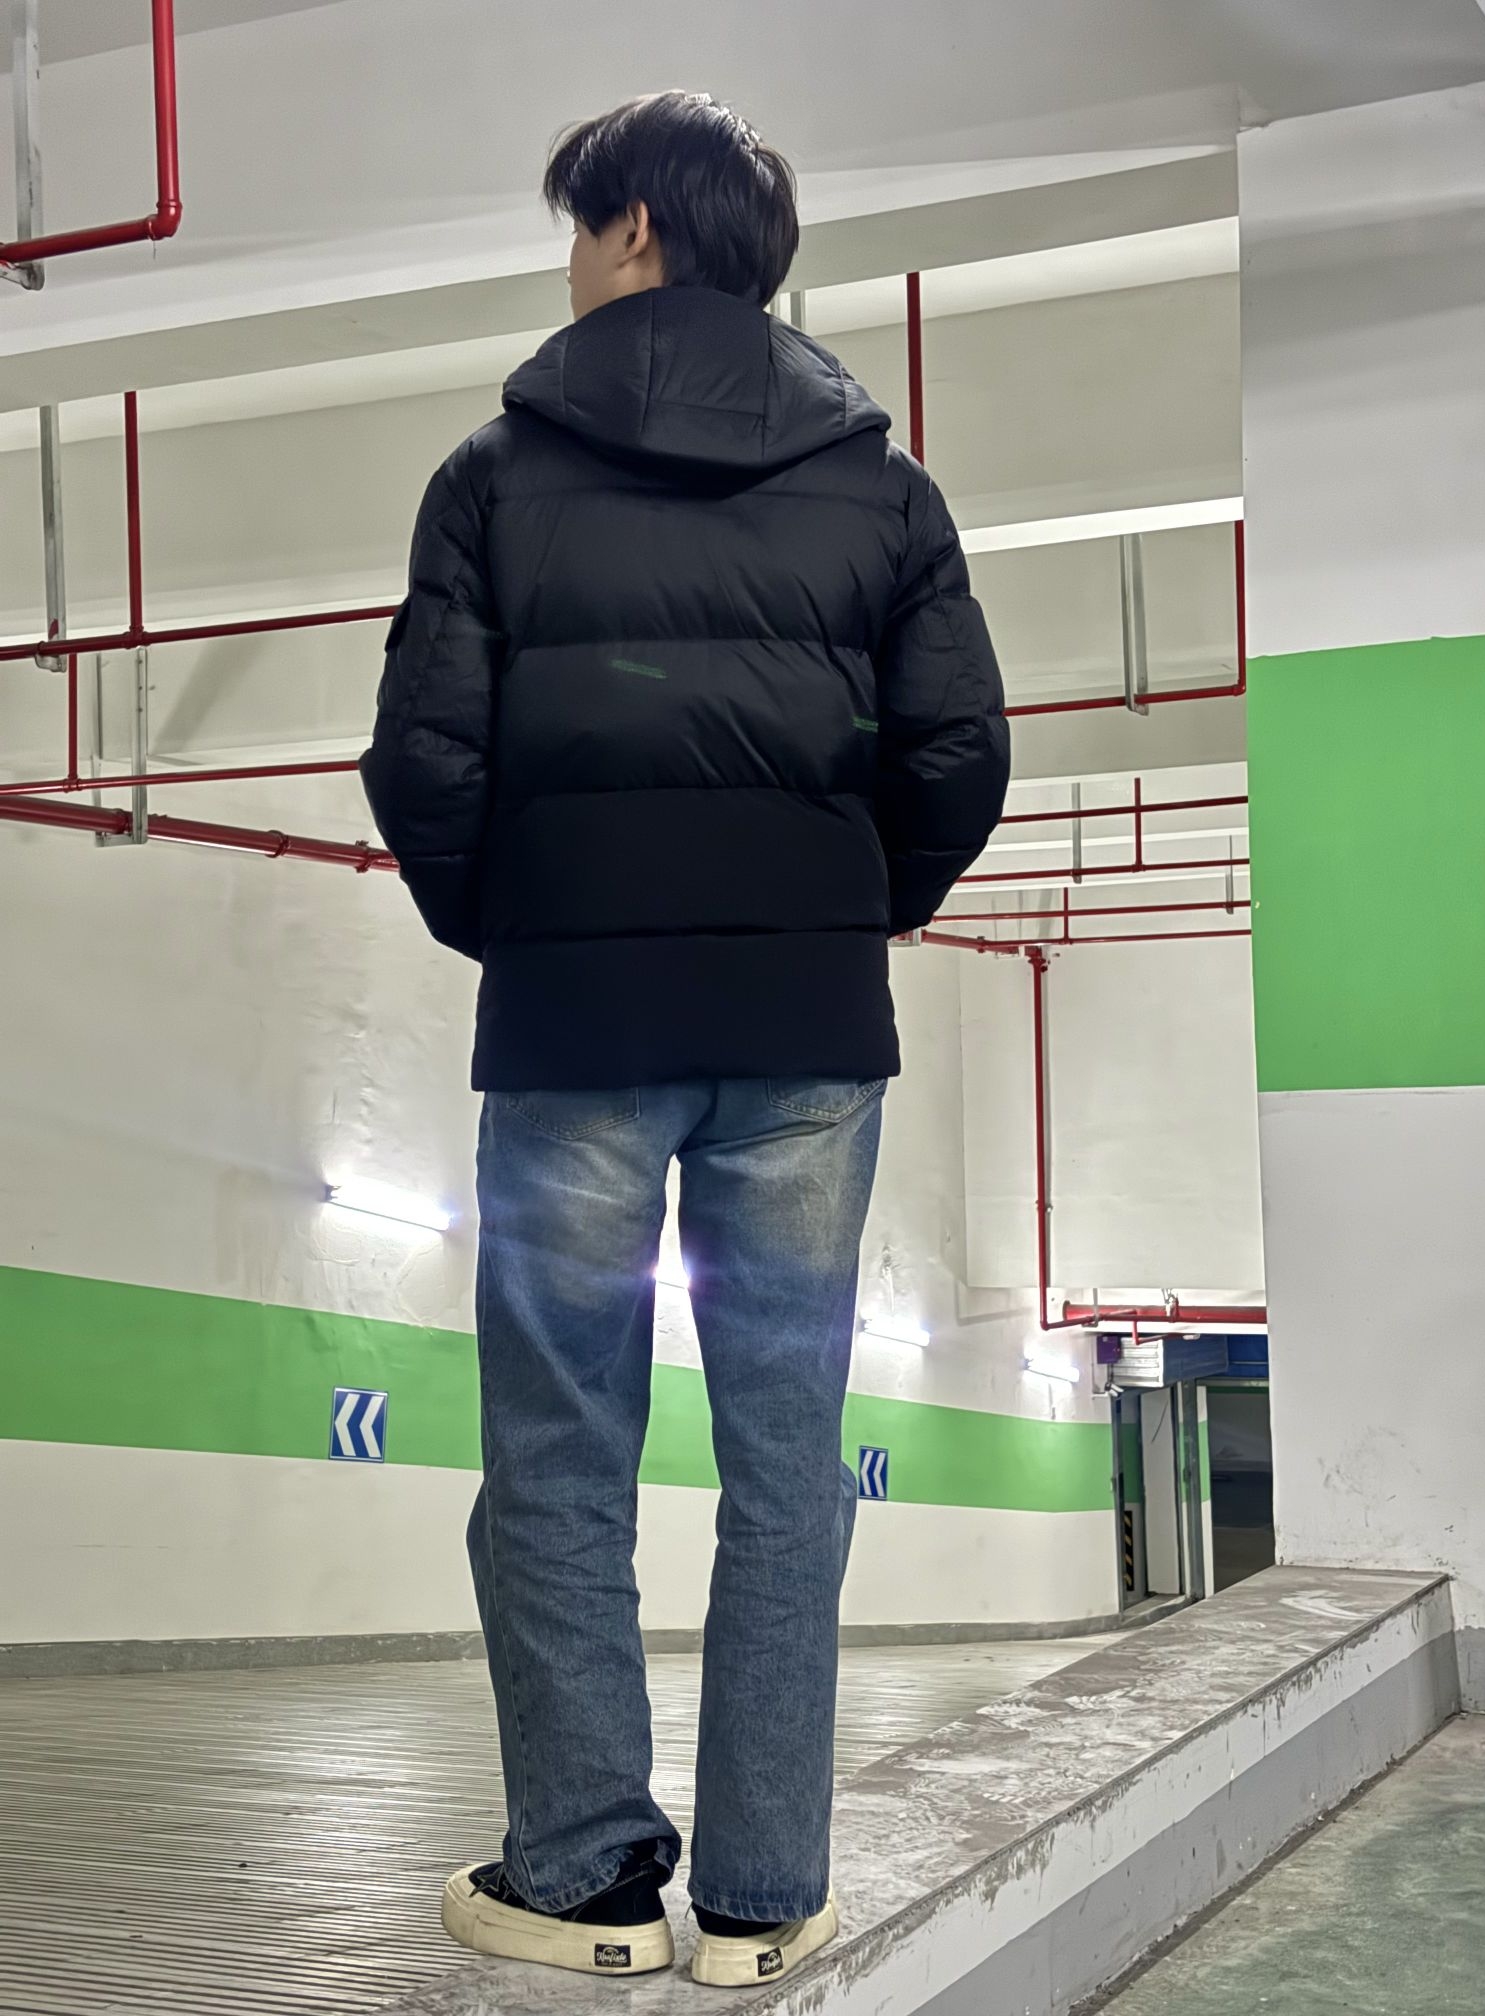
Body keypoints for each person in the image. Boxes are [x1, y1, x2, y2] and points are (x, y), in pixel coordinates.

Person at [361, 90, 1009, 1988]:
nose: (570, 263)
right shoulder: (886, 489)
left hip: (576, 1020)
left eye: (579, 227)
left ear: (635, 226)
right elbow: (959, 752)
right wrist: (847, 908)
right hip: (806, 1028)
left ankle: (581, 1883)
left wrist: (522, 922)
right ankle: (760, 1900)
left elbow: (424, 759)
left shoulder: (493, 473)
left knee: (558, 1453)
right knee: (786, 1465)